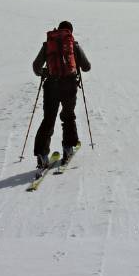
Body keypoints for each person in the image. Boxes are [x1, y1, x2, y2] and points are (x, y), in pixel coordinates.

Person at [32, 21, 91, 168]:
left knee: (48, 119)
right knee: (68, 116)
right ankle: (68, 148)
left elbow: (36, 66)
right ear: (70, 32)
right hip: (69, 86)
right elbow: (87, 67)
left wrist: (44, 72)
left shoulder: (48, 44)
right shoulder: (73, 45)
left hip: (51, 86)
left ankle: (42, 155)